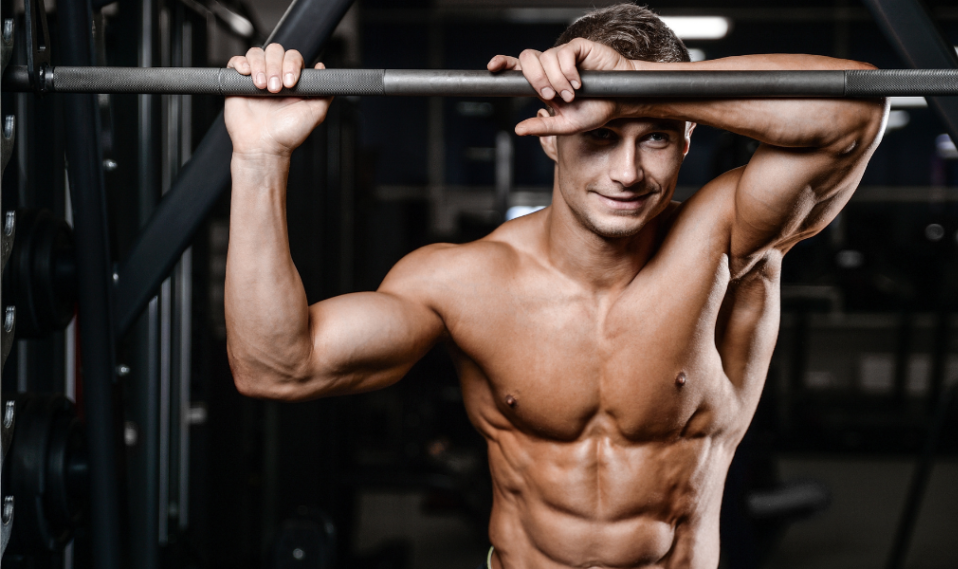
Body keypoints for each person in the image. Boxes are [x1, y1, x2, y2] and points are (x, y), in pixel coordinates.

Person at [223, 4, 887, 568]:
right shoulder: (467, 280)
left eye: (654, 135)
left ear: (688, 137)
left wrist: (634, 83)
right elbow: (275, 366)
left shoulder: (729, 242)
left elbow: (855, 109)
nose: (627, 171)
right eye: (598, 133)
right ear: (551, 136)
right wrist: (260, 158)